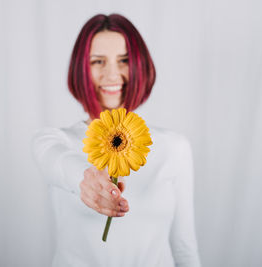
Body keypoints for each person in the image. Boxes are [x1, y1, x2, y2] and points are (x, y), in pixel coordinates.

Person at [32, 13, 201, 267]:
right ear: (80, 70)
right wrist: (86, 178)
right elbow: (58, 162)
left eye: (124, 60)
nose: (112, 74)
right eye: (98, 61)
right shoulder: (54, 141)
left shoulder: (174, 148)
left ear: (140, 66)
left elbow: (185, 249)